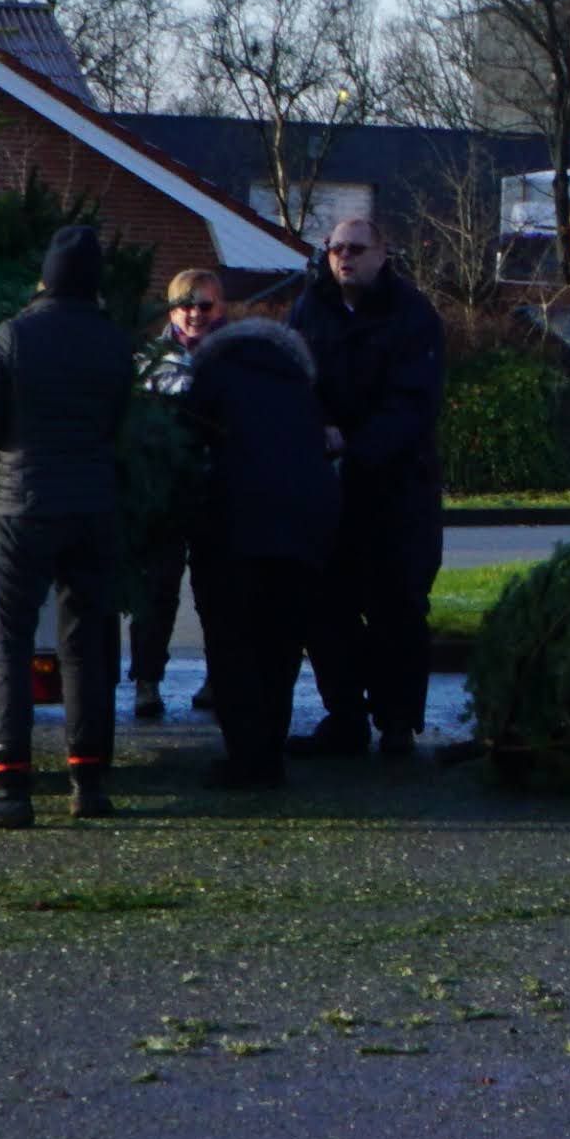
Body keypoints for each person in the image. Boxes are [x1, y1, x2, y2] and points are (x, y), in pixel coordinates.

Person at [0, 222, 138, 829]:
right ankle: (89, 780)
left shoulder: (14, 336)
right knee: (86, 645)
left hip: (23, 507)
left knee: (11, 643)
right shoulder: (114, 343)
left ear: (45, 277)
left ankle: (11, 784)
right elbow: (117, 426)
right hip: (94, 507)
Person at [291, 215, 448, 762]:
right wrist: (317, 427)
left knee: (397, 606)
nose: (343, 258)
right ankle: (345, 717)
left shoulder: (413, 316)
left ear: (383, 254)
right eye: (335, 248)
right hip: (330, 487)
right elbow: (294, 378)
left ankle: (398, 722)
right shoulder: (311, 308)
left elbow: (413, 403)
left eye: (356, 249)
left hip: (397, 488)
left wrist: (353, 445)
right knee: (326, 606)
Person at [173, 286, 339, 788]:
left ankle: (246, 757)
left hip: (234, 527)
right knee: (281, 646)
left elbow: (186, 446)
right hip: (304, 527)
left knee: (233, 644)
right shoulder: (300, 385)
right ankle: (269, 752)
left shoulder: (213, 377)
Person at [126, 267, 227, 725]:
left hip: (217, 490)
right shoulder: (150, 361)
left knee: (217, 591)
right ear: (171, 310)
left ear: (219, 307)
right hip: (163, 491)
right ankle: (146, 680)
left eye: (204, 305)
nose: (194, 314)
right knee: (156, 590)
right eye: (185, 304)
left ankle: (219, 678)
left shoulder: (233, 358)